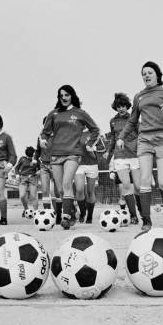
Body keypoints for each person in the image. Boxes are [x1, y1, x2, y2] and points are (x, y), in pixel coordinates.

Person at [117, 61, 163, 231]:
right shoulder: (138, 96)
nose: (146, 75)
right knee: (145, 179)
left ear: (157, 75)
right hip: (145, 138)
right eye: (144, 73)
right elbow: (132, 120)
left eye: (150, 72)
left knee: (162, 182)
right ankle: (146, 220)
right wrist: (121, 137)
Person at [40, 85, 100, 229]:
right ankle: (72, 211)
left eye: (66, 95)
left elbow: (95, 129)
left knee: (67, 184)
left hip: (73, 154)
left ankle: (66, 217)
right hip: (55, 155)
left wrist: (89, 144)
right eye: (61, 96)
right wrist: (43, 139)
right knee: (60, 190)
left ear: (72, 96)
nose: (64, 98)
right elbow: (45, 132)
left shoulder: (80, 113)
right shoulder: (53, 114)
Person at [104, 93, 141, 224]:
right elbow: (113, 139)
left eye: (124, 106)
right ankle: (133, 216)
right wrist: (108, 152)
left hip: (135, 155)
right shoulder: (113, 121)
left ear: (127, 106)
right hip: (120, 157)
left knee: (138, 187)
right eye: (119, 106)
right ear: (116, 107)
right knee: (126, 186)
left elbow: (140, 134)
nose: (121, 108)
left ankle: (142, 211)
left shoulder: (134, 118)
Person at [74, 129, 99, 223]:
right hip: (78, 165)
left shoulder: (94, 133)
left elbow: (101, 149)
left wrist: (92, 150)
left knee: (90, 192)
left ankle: (90, 216)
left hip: (92, 164)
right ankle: (83, 212)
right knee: (79, 189)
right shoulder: (73, 132)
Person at [14, 146, 39, 217]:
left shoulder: (36, 160)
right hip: (23, 178)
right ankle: (26, 209)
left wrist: (37, 172)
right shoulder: (22, 159)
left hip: (33, 178)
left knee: (33, 196)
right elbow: (16, 168)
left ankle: (36, 213)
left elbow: (41, 168)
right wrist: (17, 175)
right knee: (22, 196)